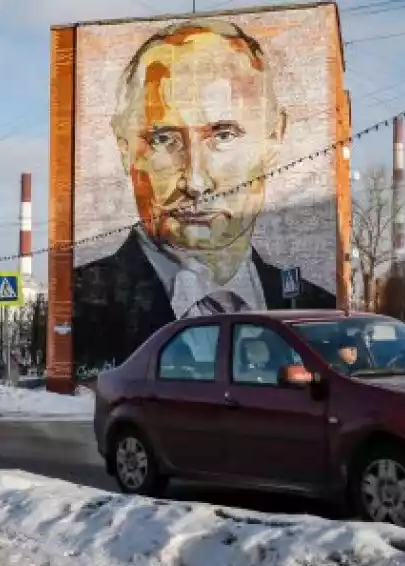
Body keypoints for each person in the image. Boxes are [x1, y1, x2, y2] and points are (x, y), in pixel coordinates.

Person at [72, 18, 337, 371]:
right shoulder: (82, 304)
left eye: (223, 135)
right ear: (125, 150)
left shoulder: (315, 306)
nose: (195, 182)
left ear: (274, 138)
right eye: (164, 139)